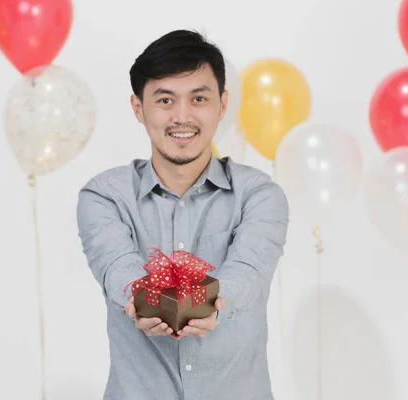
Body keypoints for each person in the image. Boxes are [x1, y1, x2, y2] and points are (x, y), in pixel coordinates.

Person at [76, 29, 289, 400]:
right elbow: (117, 268)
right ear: (138, 108)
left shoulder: (259, 195)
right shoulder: (105, 196)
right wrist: (140, 301)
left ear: (222, 105)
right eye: (165, 100)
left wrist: (215, 304)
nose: (182, 116)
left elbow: (248, 273)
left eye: (199, 98)